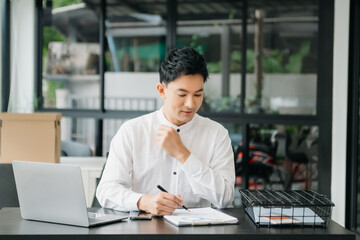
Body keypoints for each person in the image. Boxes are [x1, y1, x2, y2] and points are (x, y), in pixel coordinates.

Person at [96, 46, 235, 216]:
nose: (191, 104)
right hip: (143, 231)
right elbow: (106, 191)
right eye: (182, 95)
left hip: (196, 231)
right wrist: (143, 201)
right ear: (162, 91)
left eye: (198, 95)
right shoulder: (132, 131)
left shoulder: (217, 134)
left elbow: (226, 198)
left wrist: (182, 154)